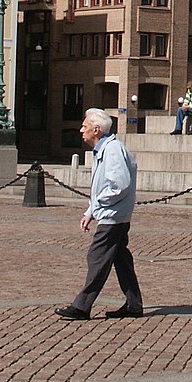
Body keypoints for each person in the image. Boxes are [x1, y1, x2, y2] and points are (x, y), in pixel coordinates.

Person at [55, 109, 144, 321]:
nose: (81, 130)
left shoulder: (112, 150)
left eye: (85, 126)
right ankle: (134, 305)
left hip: (113, 216)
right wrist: (90, 211)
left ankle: (82, 306)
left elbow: (118, 185)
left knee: (97, 257)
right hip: (112, 214)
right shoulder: (103, 150)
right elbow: (102, 187)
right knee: (120, 259)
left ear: (96, 130)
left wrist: (98, 207)